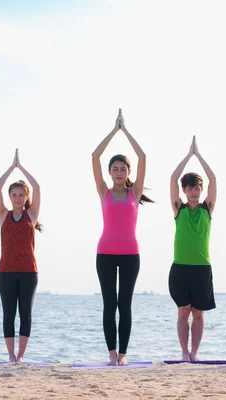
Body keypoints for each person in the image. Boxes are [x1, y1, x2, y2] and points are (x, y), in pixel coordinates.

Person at [92, 109, 153, 366]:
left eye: (123, 169)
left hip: (130, 255)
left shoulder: (134, 193)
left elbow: (142, 156)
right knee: (109, 304)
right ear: (109, 172)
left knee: (124, 304)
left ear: (129, 172)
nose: (119, 172)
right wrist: (113, 131)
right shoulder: (103, 191)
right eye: (115, 169)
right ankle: (111, 353)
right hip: (105, 253)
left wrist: (126, 132)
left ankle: (124, 354)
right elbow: (95, 156)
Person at [169, 136, 217, 361]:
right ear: (184, 191)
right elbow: (172, 178)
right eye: (190, 188)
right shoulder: (180, 209)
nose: (194, 192)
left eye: (197, 188)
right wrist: (188, 156)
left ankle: (195, 353)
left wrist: (199, 156)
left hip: (202, 268)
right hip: (180, 267)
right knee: (183, 312)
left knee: (198, 314)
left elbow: (214, 179)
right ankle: (184, 353)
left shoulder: (207, 209)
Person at [0, 149, 42, 363]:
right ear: (9, 197)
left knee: (26, 314)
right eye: (14, 195)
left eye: (21, 195)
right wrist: (11, 168)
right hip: (5, 272)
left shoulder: (30, 216)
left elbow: (38, 187)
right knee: (8, 314)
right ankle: (11, 356)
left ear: (26, 197)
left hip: (29, 272)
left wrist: (21, 168)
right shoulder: (3, 215)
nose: (17, 198)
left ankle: (21, 356)